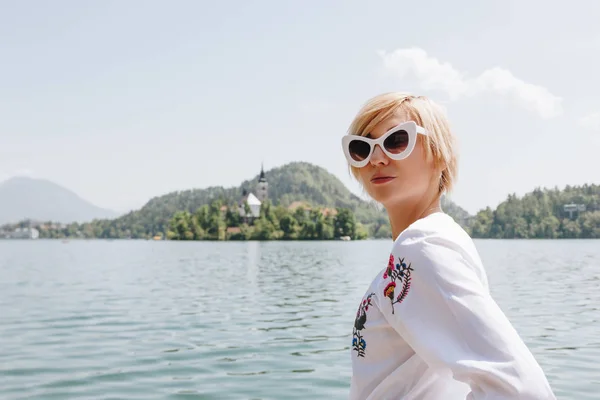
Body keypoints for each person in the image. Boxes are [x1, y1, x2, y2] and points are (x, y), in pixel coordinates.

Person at [342, 92, 556, 399]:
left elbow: (521, 390)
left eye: (396, 141)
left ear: (439, 153)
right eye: (362, 147)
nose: (376, 158)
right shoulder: (435, 240)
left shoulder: (422, 246)